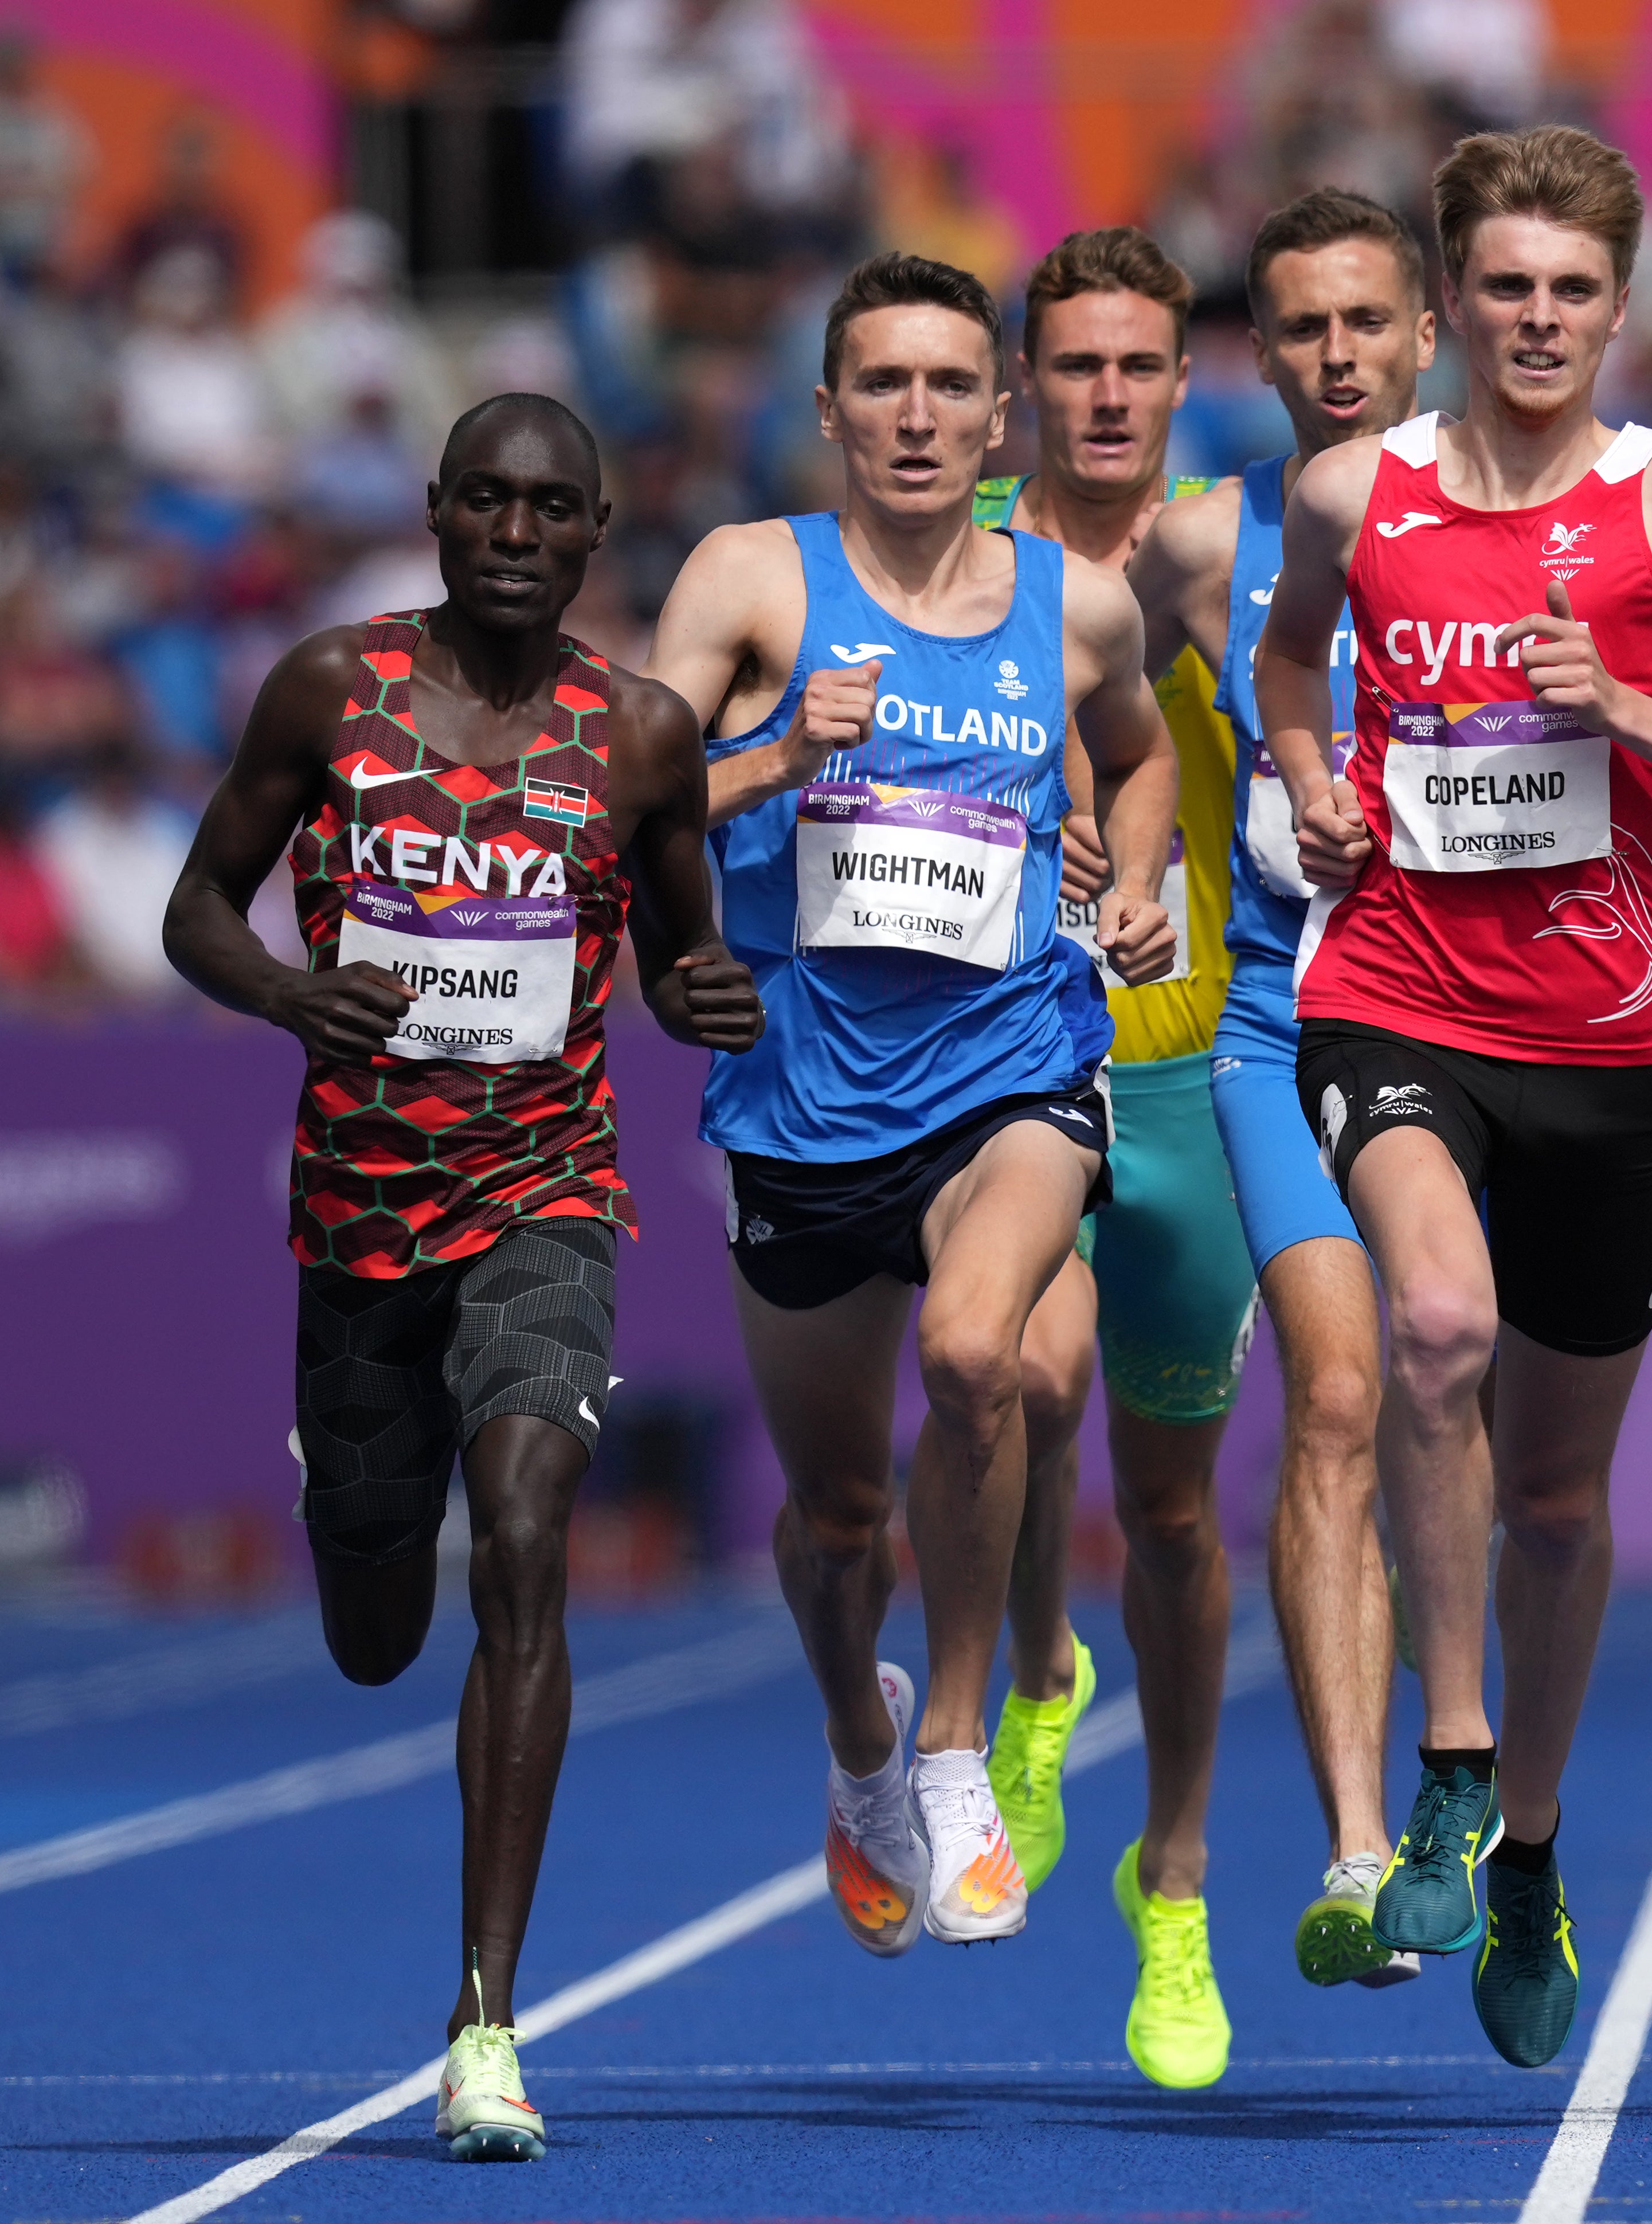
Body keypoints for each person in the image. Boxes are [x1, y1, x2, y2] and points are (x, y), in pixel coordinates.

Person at [1252, 124, 1652, 2069]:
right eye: (1503, 285)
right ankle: (1443, 1758)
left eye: (1570, 291)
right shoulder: (1356, 487)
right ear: (1456, 296)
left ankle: (1529, 1846)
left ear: (1616, 306)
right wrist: (1319, 784)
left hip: (1612, 1042)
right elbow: (1282, 662)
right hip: (1397, 993)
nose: (1535, 318)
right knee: (1435, 1326)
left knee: (1567, 1496)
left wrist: (1631, 710)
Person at [160, 393, 764, 2163]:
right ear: (435, 512)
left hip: (546, 1196)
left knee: (523, 1535)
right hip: (356, 1222)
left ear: (595, 533)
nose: (515, 530)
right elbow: (199, 903)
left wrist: (703, 992)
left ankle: (485, 2021)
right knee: (373, 1635)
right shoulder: (325, 692)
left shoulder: (641, 734)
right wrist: (286, 993)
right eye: (485, 500)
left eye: (552, 508)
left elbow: (681, 949)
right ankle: (347, 1493)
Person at [643, 252, 1179, 1970]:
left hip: (1010, 1072)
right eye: (885, 384)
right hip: (800, 1112)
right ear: (830, 411)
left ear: (999, 411)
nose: (922, 415)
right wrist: (780, 759)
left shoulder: (1073, 599)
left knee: (979, 1358)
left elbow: (1142, 743)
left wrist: (1136, 876)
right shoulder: (751, 580)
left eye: (955, 385)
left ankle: (954, 1744)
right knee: (836, 1524)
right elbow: (629, 804)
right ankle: (862, 1741)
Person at [1130, 186, 1438, 1992]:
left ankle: (1494, 1791)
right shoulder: (1196, 542)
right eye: (1303, 328)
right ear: (1266, 351)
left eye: (1366, 324)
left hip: (1501, 1027)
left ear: (1425, 336)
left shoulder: (1542, 522)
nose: (1337, 357)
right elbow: (1057, 648)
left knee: (1481, 1421)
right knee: (1334, 1396)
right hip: (1283, 1017)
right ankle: (1355, 1848)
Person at [962, 223, 1246, 2090]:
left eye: (1141, 363)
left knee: (1171, 1505)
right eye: (1077, 364)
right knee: (1014, 1368)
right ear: (1028, 383)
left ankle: (1177, 1887)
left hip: (1195, 1063)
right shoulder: (957, 547)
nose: (1112, 394)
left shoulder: (1244, 539)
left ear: (1180, 379)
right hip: (1009, 1052)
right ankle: (1043, 1671)